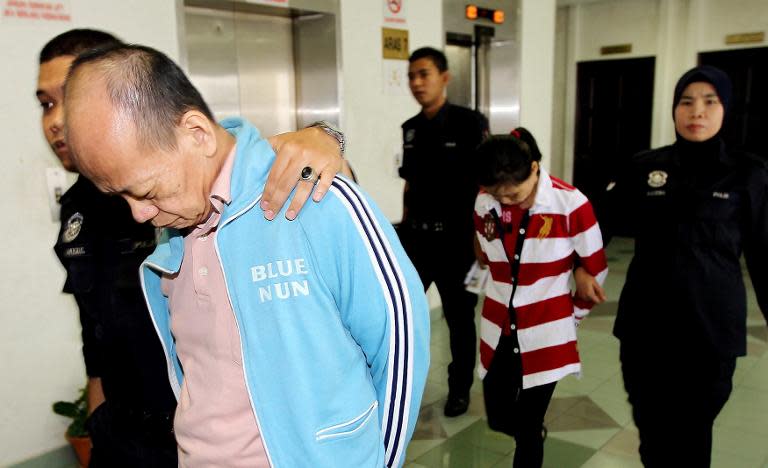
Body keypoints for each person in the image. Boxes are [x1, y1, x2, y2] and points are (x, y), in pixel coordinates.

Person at [63, 43, 430, 467]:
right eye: (119, 196)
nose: (140, 213)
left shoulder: (313, 195)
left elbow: (401, 338)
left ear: (196, 134)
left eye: (144, 190)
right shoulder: (172, 240)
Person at [601, 65, 768, 467]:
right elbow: (597, 224)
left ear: (725, 109)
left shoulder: (750, 173)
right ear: (674, 109)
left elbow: (765, 255)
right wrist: (581, 268)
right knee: (652, 434)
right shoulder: (644, 166)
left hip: (709, 332)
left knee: (692, 436)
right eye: (687, 101)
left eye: (710, 102)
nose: (698, 111)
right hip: (646, 329)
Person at [472, 129, 608, 468]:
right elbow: (485, 252)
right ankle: (528, 432)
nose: (505, 202)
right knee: (500, 417)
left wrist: (571, 317)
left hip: (546, 332)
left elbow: (596, 271)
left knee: (528, 427)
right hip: (498, 328)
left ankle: (531, 437)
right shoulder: (483, 201)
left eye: (515, 195)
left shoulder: (570, 203)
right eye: (496, 194)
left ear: (534, 169)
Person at [399, 46, 489, 417]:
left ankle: (459, 389)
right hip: (416, 241)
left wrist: (482, 238)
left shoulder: (470, 123)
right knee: (399, 311)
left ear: (444, 77)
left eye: (424, 74)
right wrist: (401, 232)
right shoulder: (411, 129)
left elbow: (486, 184)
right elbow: (408, 184)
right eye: (411, 76)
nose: (417, 83)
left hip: (458, 242)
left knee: (458, 320)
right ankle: (397, 384)